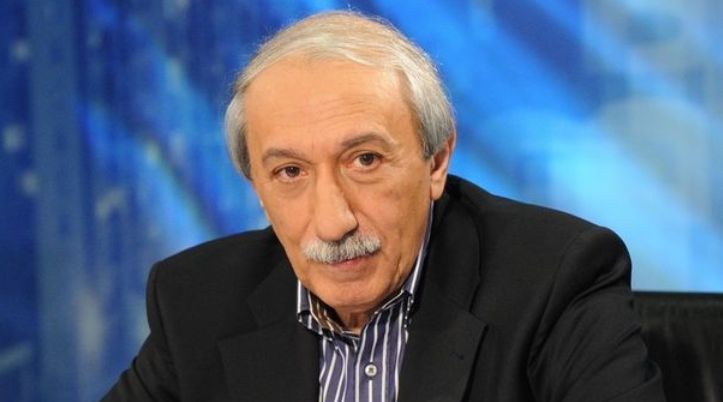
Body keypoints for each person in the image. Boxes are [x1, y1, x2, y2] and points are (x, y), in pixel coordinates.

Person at [101, 11, 665, 402]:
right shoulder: (195, 301)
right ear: (256, 187)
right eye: (290, 172)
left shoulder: (555, 277)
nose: (333, 222)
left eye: (364, 160)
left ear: (436, 161)